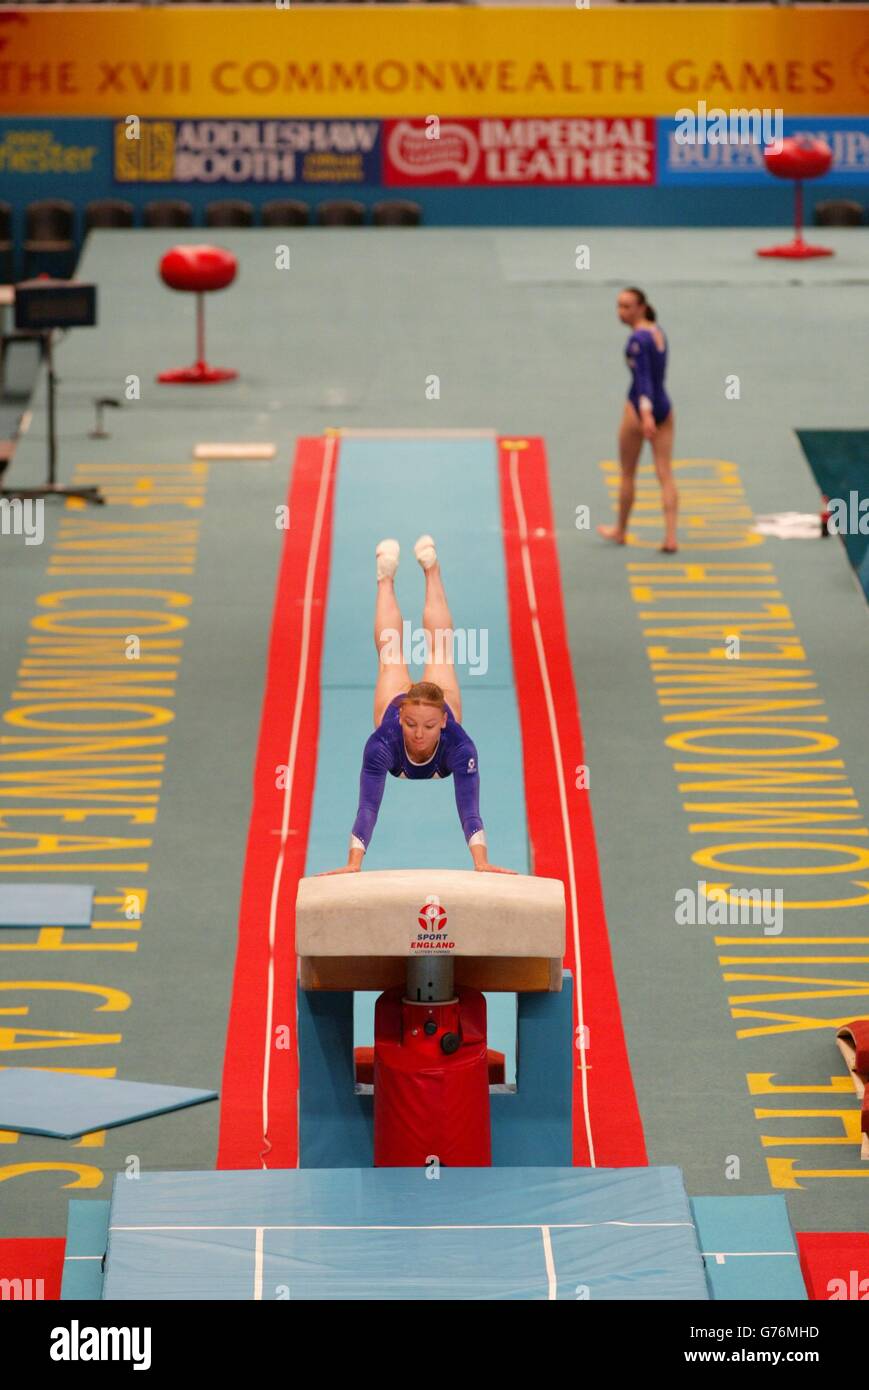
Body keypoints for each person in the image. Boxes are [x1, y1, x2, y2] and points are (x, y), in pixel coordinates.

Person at [319, 534, 515, 875]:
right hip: (396, 701)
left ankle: (431, 569)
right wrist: (354, 864)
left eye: (427, 726)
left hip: (440, 708)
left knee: (441, 648)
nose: (419, 734)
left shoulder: (459, 744)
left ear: (443, 722)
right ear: (400, 716)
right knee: (391, 653)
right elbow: (368, 805)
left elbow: (469, 809)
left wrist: (480, 862)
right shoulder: (384, 741)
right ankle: (385, 578)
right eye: (410, 725)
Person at [597, 286, 678, 554]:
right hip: (665, 407)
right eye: (619, 306)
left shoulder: (636, 341)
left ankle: (621, 529)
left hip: (639, 409)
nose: (621, 312)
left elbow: (643, 380)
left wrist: (644, 415)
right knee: (664, 473)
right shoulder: (658, 332)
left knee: (628, 473)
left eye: (627, 307)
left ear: (642, 307)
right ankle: (670, 536)